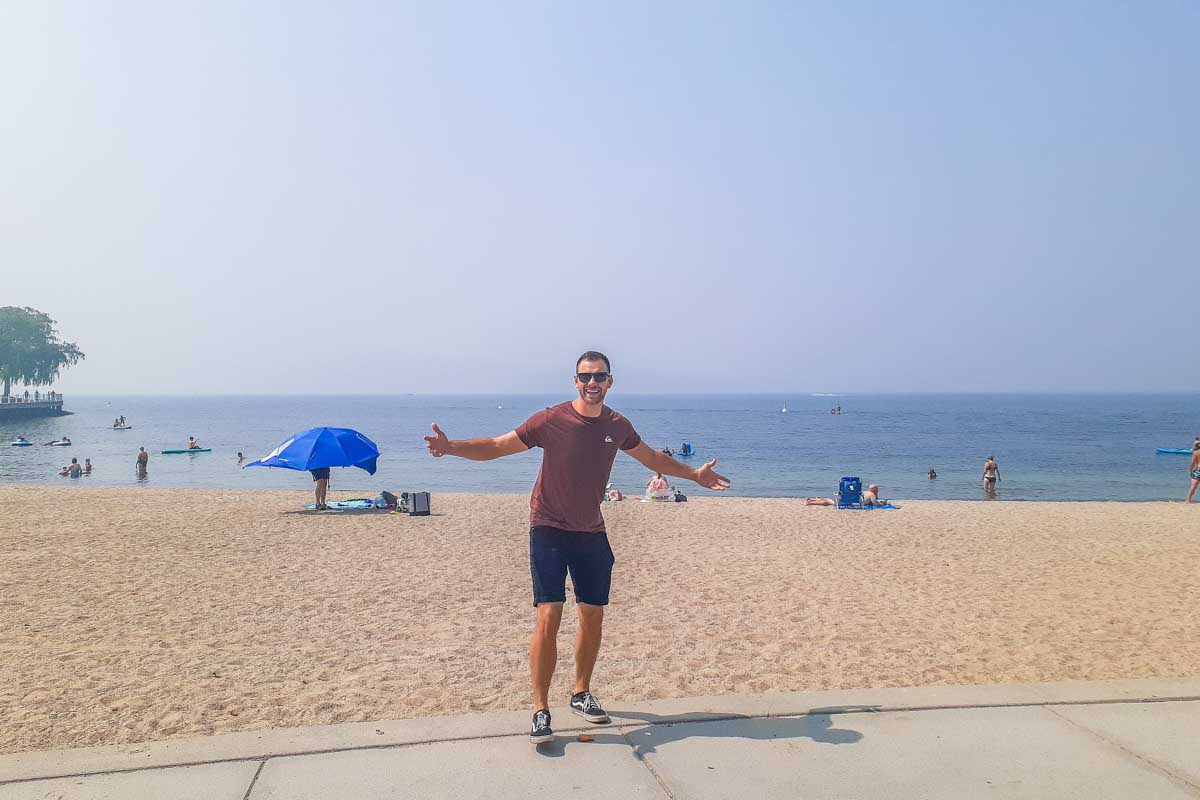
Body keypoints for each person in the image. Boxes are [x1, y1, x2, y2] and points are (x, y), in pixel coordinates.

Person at [423, 350, 730, 745]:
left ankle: (581, 693)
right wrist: (452, 447)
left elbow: (650, 457)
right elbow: (499, 446)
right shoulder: (552, 419)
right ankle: (539, 709)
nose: (592, 383)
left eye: (599, 377)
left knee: (592, 615)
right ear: (575, 380)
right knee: (549, 613)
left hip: (590, 530)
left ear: (610, 382)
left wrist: (693, 473)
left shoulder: (618, 425)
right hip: (548, 526)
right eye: (585, 377)